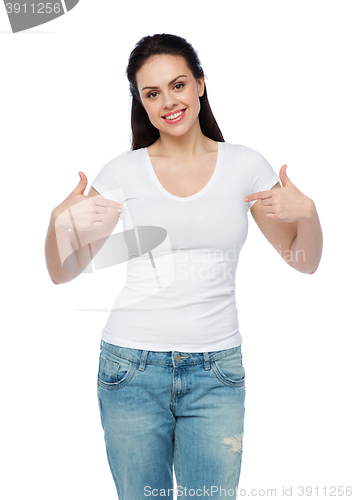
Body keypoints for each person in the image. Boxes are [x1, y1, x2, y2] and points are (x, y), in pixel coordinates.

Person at [45, 33, 323, 499]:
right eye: (152, 93)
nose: (168, 102)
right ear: (141, 102)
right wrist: (58, 222)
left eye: (178, 85)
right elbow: (63, 271)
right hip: (130, 369)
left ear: (200, 85)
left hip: (216, 374)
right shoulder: (122, 172)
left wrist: (309, 214)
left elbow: (304, 261)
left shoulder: (246, 166)